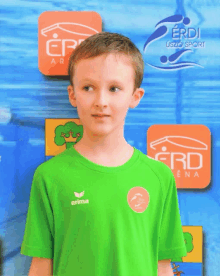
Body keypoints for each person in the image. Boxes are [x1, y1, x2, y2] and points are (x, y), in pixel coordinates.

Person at [20, 31, 187, 276]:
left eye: (114, 88)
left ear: (135, 96)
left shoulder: (159, 176)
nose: (101, 101)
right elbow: (42, 266)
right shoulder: (50, 176)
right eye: (88, 87)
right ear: (72, 94)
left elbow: (163, 265)